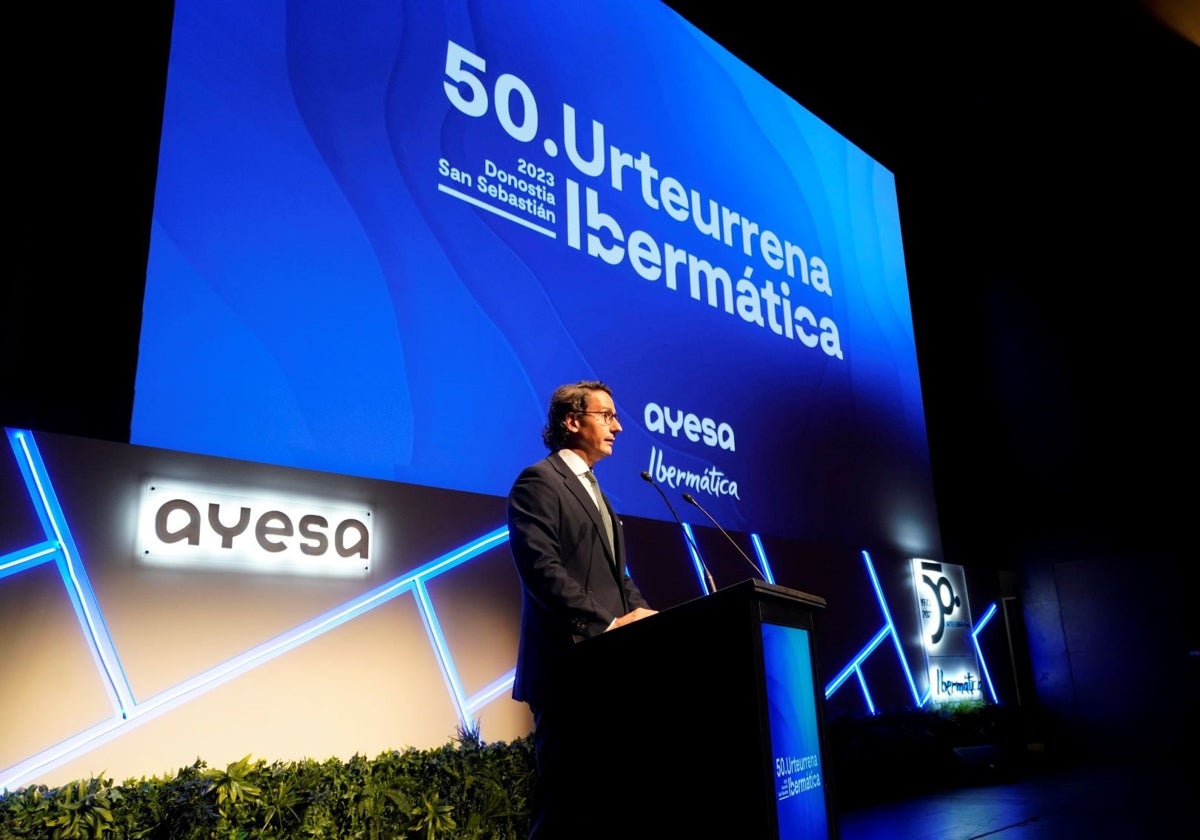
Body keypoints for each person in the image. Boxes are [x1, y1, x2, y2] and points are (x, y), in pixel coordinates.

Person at [507, 380, 657, 839]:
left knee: (607, 803)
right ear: (572, 422)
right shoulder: (539, 482)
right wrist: (610, 623)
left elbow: (617, 576)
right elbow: (542, 570)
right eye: (606, 415)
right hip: (566, 669)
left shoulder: (599, 494)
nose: (618, 427)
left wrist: (646, 618)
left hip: (608, 668)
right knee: (564, 806)